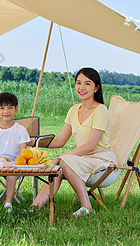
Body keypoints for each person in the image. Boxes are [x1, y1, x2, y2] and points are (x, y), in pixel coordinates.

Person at [31, 67, 117, 217]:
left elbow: (92, 145)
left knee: (63, 161)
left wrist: (63, 156)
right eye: (78, 83)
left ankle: (87, 207)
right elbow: (60, 141)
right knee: (59, 166)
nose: (81, 88)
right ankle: (34, 208)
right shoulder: (73, 110)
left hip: (101, 158)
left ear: (96, 88)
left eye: (87, 84)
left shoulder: (101, 110)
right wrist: (33, 142)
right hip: (83, 159)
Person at [0, 92, 31, 213]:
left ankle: (8, 202)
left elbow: (24, 151)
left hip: (14, 161)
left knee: (11, 171)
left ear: (16, 109)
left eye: (10, 107)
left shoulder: (20, 130)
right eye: (2, 108)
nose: (6, 111)